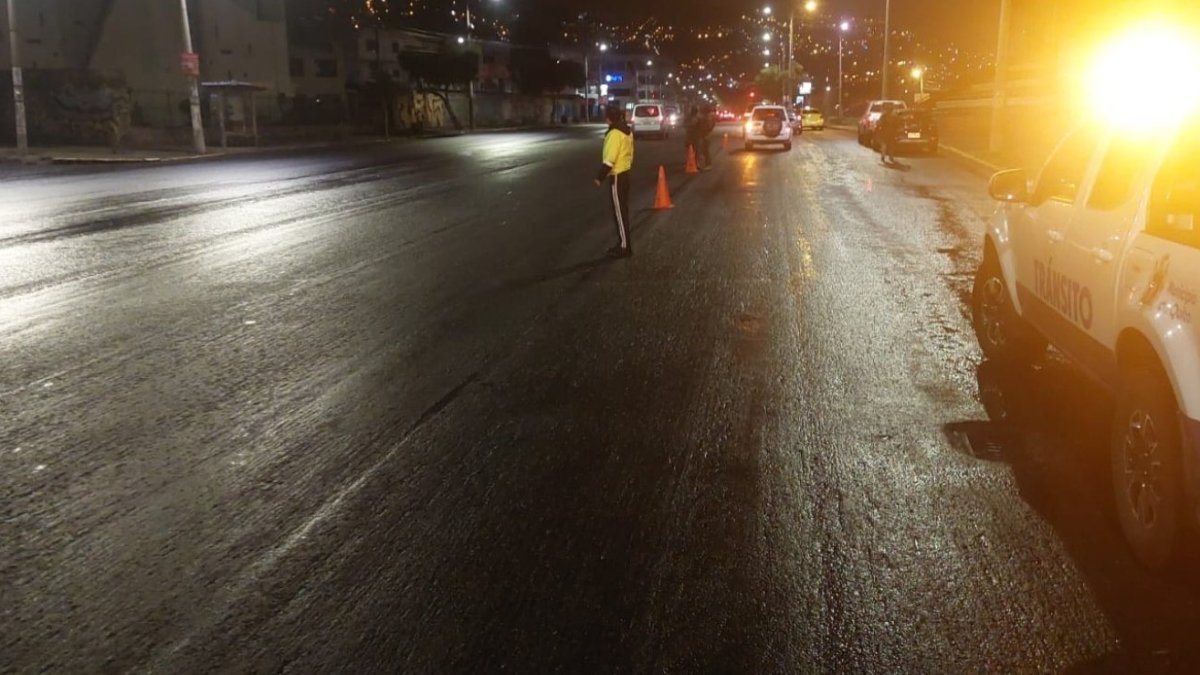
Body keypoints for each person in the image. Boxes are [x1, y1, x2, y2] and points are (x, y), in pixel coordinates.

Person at [594, 106, 635, 258]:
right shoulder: (627, 131)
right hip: (625, 173)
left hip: (617, 176)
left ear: (608, 118)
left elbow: (609, 160)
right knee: (622, 211)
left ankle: (625, 247)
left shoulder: (614, 134)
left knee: (619, 213)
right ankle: (623, 243)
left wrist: (600, 177)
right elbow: (630, 153)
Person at [698, 106, 716, 170]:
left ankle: (708, 164)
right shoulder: (709, 117)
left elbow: (708, 126)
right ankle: (704, 164)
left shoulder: (707, 117)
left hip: (706, 135)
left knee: (705, 150)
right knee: (703, 150)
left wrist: (705, 132)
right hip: (705, 135)